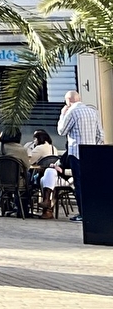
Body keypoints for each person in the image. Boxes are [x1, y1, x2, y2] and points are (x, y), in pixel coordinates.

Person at [59, 90, 103, 222]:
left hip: (76, 153)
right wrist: (95, 149)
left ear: (69, 101)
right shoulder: (92, 112)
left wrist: (62, 114)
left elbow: (61, 131)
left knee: (79, 184)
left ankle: (83, 213)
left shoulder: (72, 112)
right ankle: (93, 211)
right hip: (91, 154)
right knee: (90, 183)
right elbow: (100, 135)